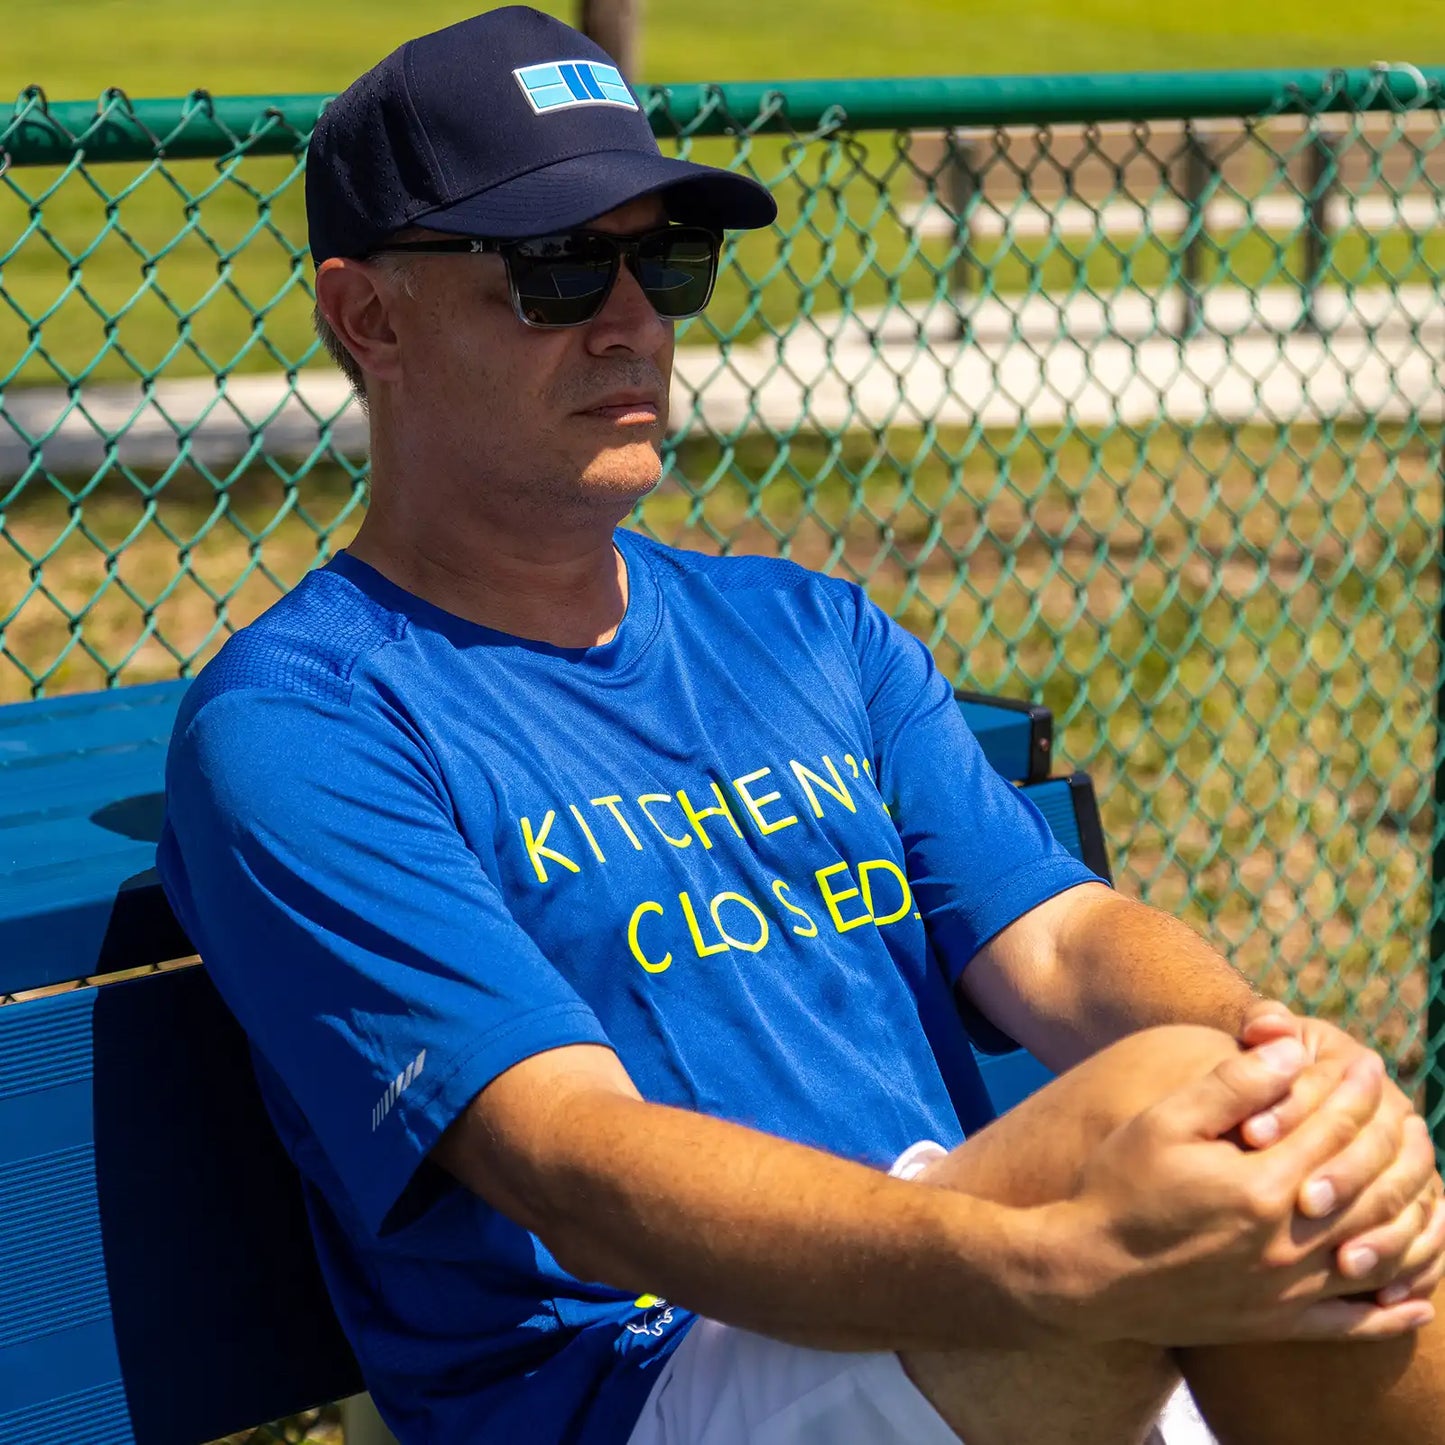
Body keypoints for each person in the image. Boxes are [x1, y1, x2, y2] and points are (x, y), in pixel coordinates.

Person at [157, 9, 1445, 1444]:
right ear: (369, 319)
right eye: (557, 267)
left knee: (1268, 1123)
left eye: (668, 261)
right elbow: (574, 1159)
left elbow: (1064, 940)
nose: (633, 320)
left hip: (953, 1297)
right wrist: (1035, 1268)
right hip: (643, 1375)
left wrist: (1289, 1062)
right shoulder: (306, 726)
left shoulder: (805, 629)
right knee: (1176, 1113)